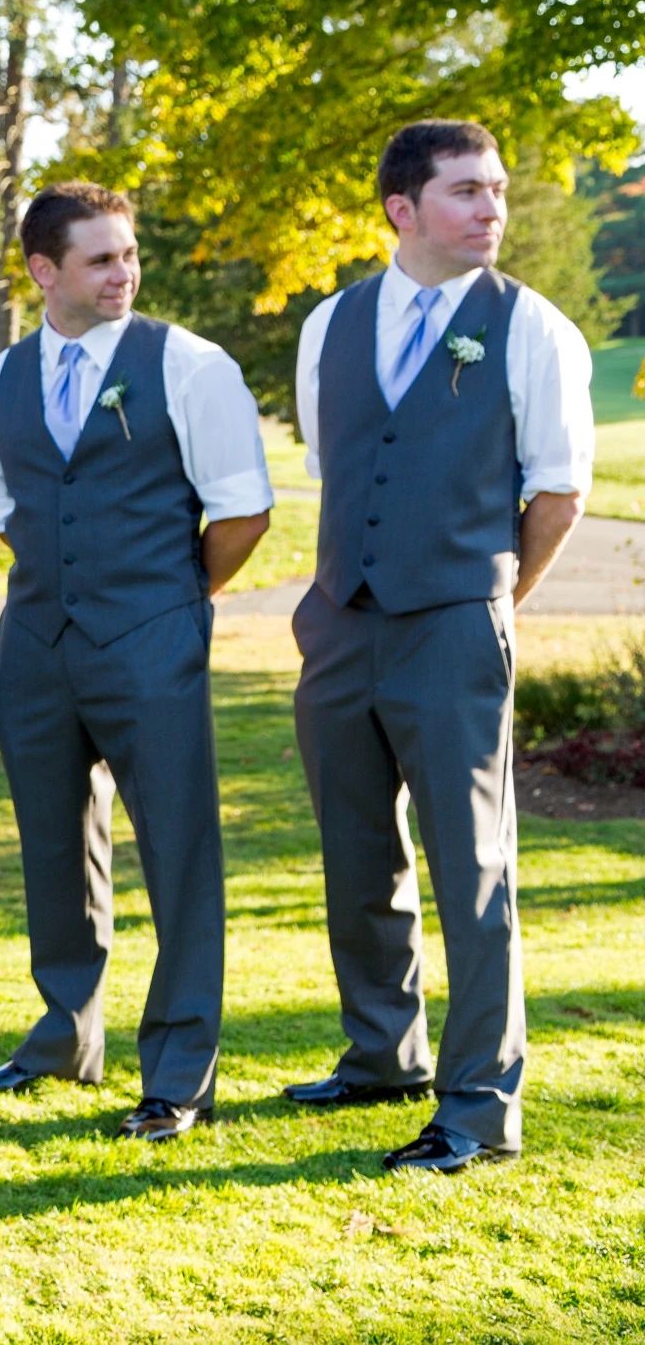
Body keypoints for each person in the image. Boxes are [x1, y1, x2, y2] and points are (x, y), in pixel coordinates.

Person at [288, 119, 594, 1171]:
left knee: (472, 871)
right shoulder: (329, 325)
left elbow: (554, 494)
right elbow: (341, 459)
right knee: (354, 853)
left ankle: (477, 1107)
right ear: (399, 209)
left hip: (456, 622)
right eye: (466, 191)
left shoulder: (531, 328)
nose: (490, 209)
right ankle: (381, 1054)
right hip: (338, 623)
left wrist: (492, 594)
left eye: (496, 190)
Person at [0, 182, 274, 1140]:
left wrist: (170, 603)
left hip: (154, 642)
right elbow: (8, 518)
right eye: (100, 258)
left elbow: (244, 511)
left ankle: (179, 1070)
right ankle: (65, 1032)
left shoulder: (188, 364)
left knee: (179, 854)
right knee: (52, 847)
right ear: (43, 270)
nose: (123, 273)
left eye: (128, 254)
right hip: (36, 647)